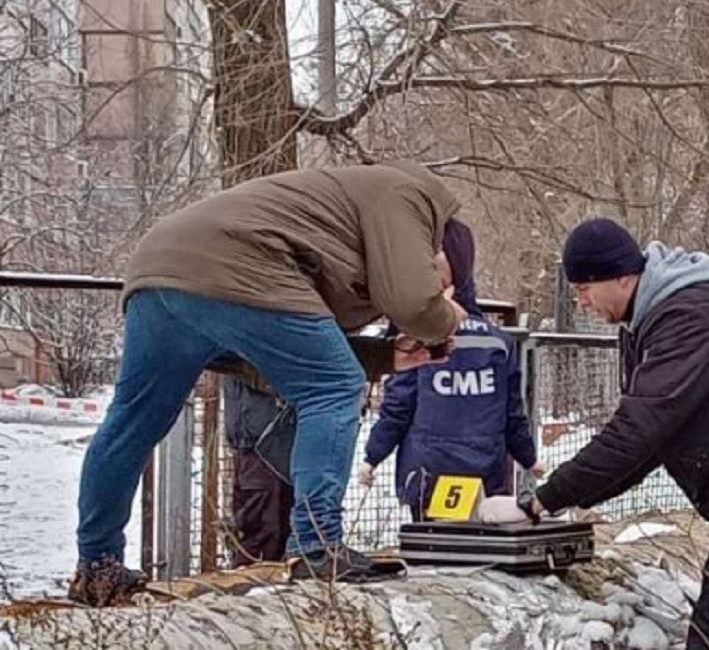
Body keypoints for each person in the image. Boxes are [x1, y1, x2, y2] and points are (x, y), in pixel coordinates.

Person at [71, 161, 467, 605]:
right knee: (337, 387)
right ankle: (316, 547)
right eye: (443, 283)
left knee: (133, 422)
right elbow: (413, 302)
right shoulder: (407, 193)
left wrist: (384, 357)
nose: (438, 290)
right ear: (439, 246)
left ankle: (96, 567)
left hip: (160, 270)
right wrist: (447, 318)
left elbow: (274, 356)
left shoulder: (345, 225)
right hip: (237, 261)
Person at [515, 218, 709, 650]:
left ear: (622, 276)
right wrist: (558, 502)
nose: (581, 300)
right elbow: (647, 444)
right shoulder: (652, 319)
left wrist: (541, 501)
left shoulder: (686, 318)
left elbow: (637, 433)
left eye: (585, 286)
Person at [359, 219, 542, 519]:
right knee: (479, 554)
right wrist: (528, 458)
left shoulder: (416, 338)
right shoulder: (498, 343)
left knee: (432, 550)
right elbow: (512, 412)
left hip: (428, 472)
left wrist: (372, 457)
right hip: (485, 472)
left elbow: (398, 406)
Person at [223, 375, 297, 567]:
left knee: (280, 528)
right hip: (259, 443)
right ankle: (248, 588)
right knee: (262, 531)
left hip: (274, 440)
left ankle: (263, 585)